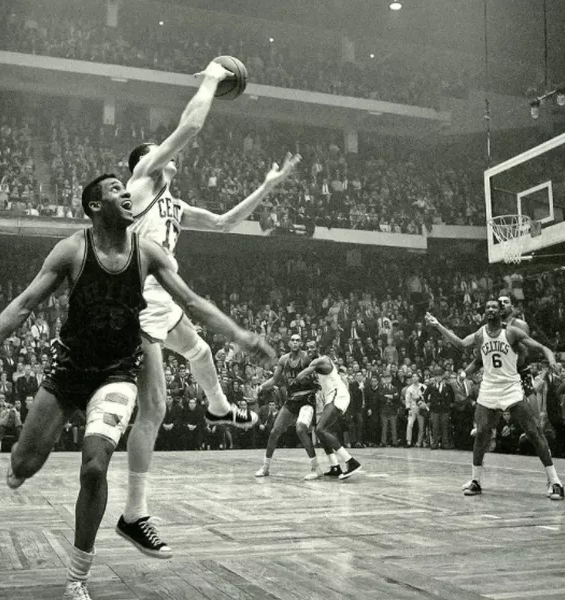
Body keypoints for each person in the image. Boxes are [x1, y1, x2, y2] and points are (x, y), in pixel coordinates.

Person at [0, 173, 273, 600]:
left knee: (95, 465)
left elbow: (191, 303)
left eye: (125, 188)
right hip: (68, 372)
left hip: (117, 373)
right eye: (115, 190)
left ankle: (77, 577)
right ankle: (20, 463)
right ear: (95, 206)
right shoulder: (72, 250)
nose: (126, 194)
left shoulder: (147, 251)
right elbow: (23, 305)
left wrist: (241, 336)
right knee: (24, 465)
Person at [121, 58, 300, 557]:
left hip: (164, 303)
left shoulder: (175, 205)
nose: (167, 151)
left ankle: (219, 407)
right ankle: (134, 513)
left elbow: (223, 222)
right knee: (152, 409)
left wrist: (268, 186)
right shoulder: (141, 180)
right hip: (136, 306)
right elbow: (191, 126)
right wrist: (210, 78)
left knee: (200, 354)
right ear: (146, 160)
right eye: (159, 150)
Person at [426, 302, 565, 500]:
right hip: (489, 389)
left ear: (500, 313)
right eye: (487, 307)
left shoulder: (512, 333)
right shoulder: (480, 334)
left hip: (511, 388)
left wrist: (551, 361)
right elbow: (460, 344)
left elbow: (543, 347)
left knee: (534, 432)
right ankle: (476, 481)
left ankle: (555, 482)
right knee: (482, 433)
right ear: (484, 313)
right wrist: (438, 324)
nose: (490, 309)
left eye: (494, 307)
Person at [254, 334, 321, 479]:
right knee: (274, 432)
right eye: (293, 340)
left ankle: (316, 468)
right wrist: (261, 387)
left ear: (301, 343)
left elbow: (320, 371)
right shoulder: (284, 360)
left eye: (298, 340)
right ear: (289, 343)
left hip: (306, 399)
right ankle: (265, 467)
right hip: (291, 399)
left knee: (301, 429)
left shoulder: (307, 358)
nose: (295, 342)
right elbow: (274, 380)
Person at [291, 344, 362, 480]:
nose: (310, 350)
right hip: (330, 398)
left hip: (338, 396)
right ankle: (335, 467)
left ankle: (351, 461)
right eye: (308, 348)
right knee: (322, 432)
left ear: (319, 349)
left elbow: (301, 376)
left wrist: (294, 379)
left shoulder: (320, 360)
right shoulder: (318, 368)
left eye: (313, 348)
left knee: (320, 429)